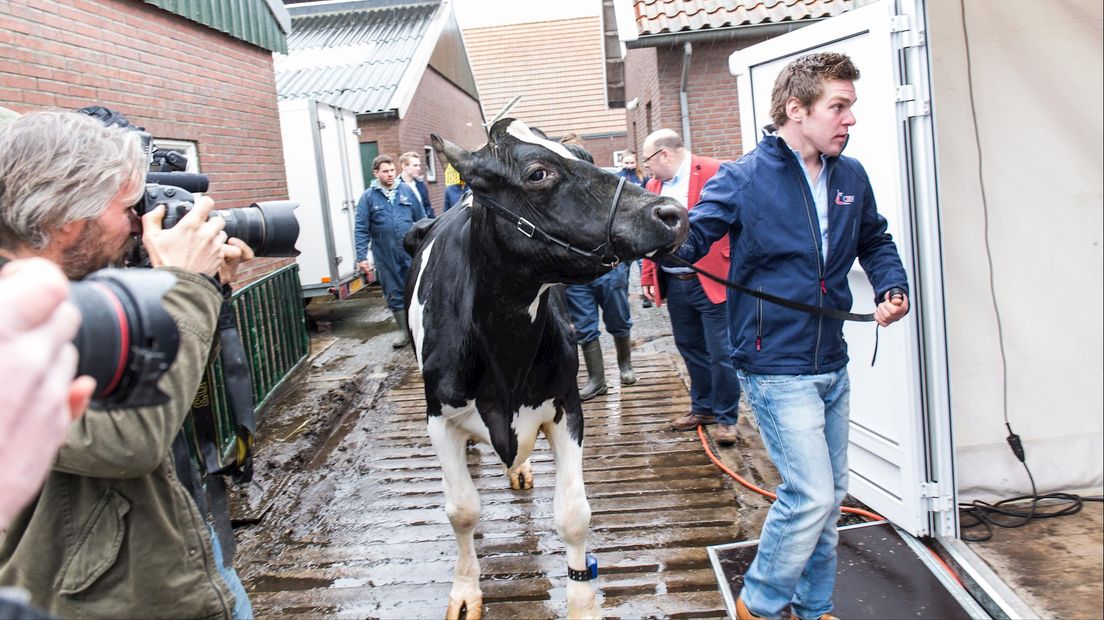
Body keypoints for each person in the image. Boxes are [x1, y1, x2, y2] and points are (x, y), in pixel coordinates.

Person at [670, 53, 910, 620]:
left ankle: (815, 606)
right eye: (839, 107)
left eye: (851, 107)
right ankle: (760, 602)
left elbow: (874, 239)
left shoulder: (850, 175)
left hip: (831, 357)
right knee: (810, 496)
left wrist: (889, 286)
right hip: (774, 363)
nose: (849, 120)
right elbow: (695, 234)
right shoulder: (745, 177)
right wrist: (662, 242)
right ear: (795, 110)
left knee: (827, 502)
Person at [0, 110, 256, 619]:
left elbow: (153, 380)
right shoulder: (13, 321)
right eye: (127, 208)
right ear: (70, 221)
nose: (140, 223)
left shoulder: (68, 288)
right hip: (93, 597)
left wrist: (208, 289)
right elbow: (129, 437)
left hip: (159, 548)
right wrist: (187, 287)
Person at [640, 128, 742, 446]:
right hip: (675, 280)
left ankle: (727, 419)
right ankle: (704, 408)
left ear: (664, 155)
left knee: (721, 351)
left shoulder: (715, 172)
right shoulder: (653, 186)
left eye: (648, 162)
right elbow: (647, 235)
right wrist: (647, 276)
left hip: (712, 279)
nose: (646, 169)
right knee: (690, 348)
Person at [558, 139, 637, 400]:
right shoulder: (556, 200)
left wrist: (623, 265)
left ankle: (625, 365)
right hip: (577, 276)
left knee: (618, 318)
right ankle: (597, 379)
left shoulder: (607, 193)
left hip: (609, 270)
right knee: (584, 326)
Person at [355, 154, 426, 348]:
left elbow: (422, 220)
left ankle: (420, 328)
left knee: (415, 288)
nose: (390, 174)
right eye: (385, 171)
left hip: (409, 251)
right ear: (376, 173)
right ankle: (404, 332)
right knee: (394, 292)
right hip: (385, 255)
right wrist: (362, 257)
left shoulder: (406, 191)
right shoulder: (368, 198)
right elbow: (361, 228)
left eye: (392, 170)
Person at [399, 151, 434, 219]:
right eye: (415, 165)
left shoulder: (421, 185)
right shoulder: (397, 187)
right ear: (404, 166)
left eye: (419, 165)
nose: (418, 168)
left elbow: (427, 207)